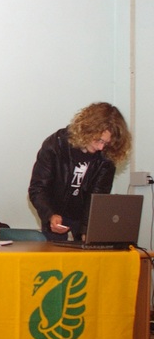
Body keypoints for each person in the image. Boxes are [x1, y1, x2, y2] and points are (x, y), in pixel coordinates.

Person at [28, 102, 131, 242]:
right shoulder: (55, 145)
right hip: (54, 214)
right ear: (87, 130)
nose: (101, 147)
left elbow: (97, 196)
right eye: (99, 140)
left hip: (83, 216)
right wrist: (50, 215)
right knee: (54, 260)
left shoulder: (106, 157)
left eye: (106, 143)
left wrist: (86, 228)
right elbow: (38, 189)